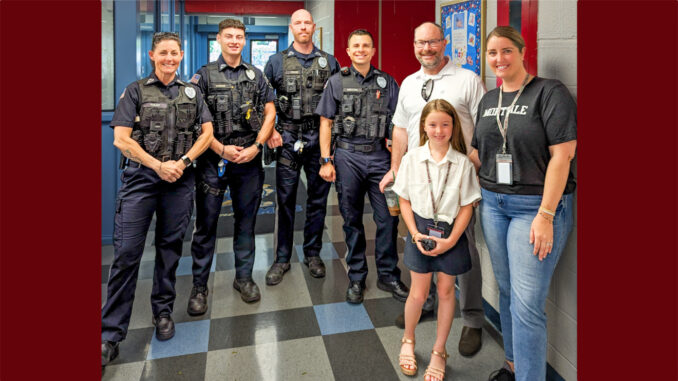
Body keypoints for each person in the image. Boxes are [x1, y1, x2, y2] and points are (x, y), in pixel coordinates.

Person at [470, 26, 576, 381]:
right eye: (492, 53)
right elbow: (479, 154)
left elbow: (563, 157)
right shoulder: (488, 100)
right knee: (505, 289)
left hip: (535, 207)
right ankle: (513, 364)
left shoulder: (550, 92)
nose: (498, 59)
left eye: (506, 51)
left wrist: (546, 215)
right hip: (494, 204)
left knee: (527, 304)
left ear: (522, 51)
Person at [101, 32, 214, 367]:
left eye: (174, 53)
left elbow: (207, 133)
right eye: (163, 53)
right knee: (126, 255)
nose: (169, 58)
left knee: (169, 249)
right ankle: (110, 334)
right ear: (152, 55)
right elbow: (121, 139)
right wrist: (157, 165)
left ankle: (162, 312)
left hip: (179, 181)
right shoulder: (135, 91)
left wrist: (181, 163)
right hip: (141, 181)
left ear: (181, 56)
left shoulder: (192, 92)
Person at [381, 21, 486, 357]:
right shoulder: (410, 84)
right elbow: (400, 130)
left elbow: (483, 130)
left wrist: (474, 161)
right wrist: (396, 169)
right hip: (418, 180)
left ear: (444, 44)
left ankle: (472, 318)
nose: (426, 49)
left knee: (463, 247)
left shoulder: (467, 80)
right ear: (414, 46)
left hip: (454, 182)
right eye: (420, 43)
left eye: (432, 42)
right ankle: (423, 301)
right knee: (419, 241)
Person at [188, 18, 276, 309]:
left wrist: (257, 146)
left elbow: (270, 112)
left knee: (246, 222)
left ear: (244, 40)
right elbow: (196, 122)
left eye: (239, 36)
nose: (235, 41)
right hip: (214, 159)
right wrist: (221, 149)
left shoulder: (256, 75)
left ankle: (244, 278)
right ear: (219, 39)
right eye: (229, 36)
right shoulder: (204, 76)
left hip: (249, 160)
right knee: (206, 225)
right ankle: (200, 287)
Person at [316, 29, 409, 304]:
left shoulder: (387, 82)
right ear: (348, 51)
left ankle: (388, 274)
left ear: (373, 50)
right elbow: (326, 123)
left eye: (366, 45)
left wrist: (396, 163)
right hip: (347, 157)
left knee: (388, 219)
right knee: (351, 219)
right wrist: (325, 160)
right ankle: (356, 277)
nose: (360, 50)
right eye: (355, 45)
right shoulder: (336, 82)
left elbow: (398, 122)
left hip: (380, 157)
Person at [394, 99, 480, 381]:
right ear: (423, 126)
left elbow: (467, 206)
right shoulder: (412, 159)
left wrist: (453, 239)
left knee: (445, 291)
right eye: (433, 125)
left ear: (453, 126)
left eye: (445, 124)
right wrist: (414, 234)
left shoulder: (462, 163)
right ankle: (408, 340)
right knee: (418, 293)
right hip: (420, 229)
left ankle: (439, 351)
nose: (439, 130)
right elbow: (404, 200)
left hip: (450, 232)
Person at [263, 9, 340, 285]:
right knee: (284, 201)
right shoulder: (275, 62)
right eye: (298, 23)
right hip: (286, 138)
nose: (303, 26)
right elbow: (263, 100)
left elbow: (337, 106)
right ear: (291, 27)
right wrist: (270, 130)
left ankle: (312, 253)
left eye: (308, 22)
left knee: (317, 201)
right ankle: (282, 258)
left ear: (313, 26)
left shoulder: (329, 63)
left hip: (318, 140)